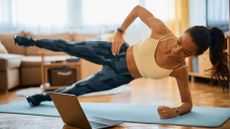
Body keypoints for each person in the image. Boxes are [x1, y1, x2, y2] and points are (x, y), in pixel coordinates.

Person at [14, 5, 229, 119]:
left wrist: (175, 111)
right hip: (114, 52)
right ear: (180, 33)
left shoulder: (180, 70)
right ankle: (31, 41)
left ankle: (42, 98)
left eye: (185, 52)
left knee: (76, 90)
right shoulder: (162, 30)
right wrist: (119, 32)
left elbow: (188, 104)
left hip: (119, 76)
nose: (176, 49)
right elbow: (137, 9)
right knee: (69, 46)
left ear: (192, 56)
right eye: (180, 41)